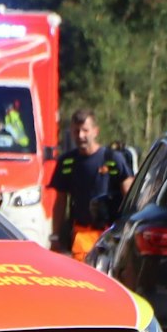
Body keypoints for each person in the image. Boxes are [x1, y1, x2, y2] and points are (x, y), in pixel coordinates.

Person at [49, 109, 121, 258]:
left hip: (110, 235)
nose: (81, 136)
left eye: (85, 130)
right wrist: (55, 236)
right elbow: (60, 201)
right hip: (81, 235)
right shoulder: (67, 162)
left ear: (95, 131)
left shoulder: (112, 159)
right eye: (76, 131)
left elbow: (129, 193)